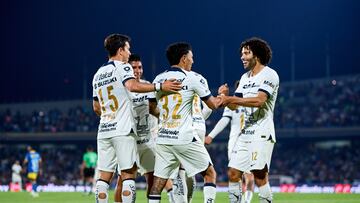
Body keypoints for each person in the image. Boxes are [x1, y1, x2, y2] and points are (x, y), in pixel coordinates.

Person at [92, 33, 181, 203]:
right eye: (127, 49)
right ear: (120, 50)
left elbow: (96, 107)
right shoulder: (123, 67)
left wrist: (111, 116)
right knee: (128, 173)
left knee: (104, 177)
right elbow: (132, 85)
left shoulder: (98, 74)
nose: (128, 52)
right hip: (123, 130)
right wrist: (161, 85)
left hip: (104, 130)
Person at [147, 42, 225, 203]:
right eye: (191, 58)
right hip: (185, 137)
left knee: (158, 184)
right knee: (210, 174)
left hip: (164, 138)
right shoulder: (191, 78)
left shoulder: (159, 79)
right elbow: (213, 105)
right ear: (183, 58)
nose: (192, 61)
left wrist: (165, 118)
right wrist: (222, 95)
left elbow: (151, 107)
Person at [221, 37, 279, 203]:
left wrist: (231, 99)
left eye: (246, 53)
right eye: (242, 53)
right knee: (233, 172)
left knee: (259, 175)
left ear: (257, 56)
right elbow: (234, 107)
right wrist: (226, 97)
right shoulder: (245, 77)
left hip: (262, 132)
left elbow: (260, 101)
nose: (242, 57)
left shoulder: (270, 74)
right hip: (245, 133)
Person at [113, 54, 158, 203]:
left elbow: (154, 109)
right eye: (134, 68)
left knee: (152, 178)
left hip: (147, 141)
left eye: (140, 67)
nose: (137, 71)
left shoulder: (148, 86)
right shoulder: (120, 88)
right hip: (128, 141)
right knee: (123, 179)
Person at [205, 80, 255, 203]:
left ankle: (246, 201)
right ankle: (237, 201)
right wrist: (211, 136)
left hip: (252, 140)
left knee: (249, 175)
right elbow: (224, 120)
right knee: (235, 174)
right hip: (234, 142)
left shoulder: (254, 101)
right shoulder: (232, 102)